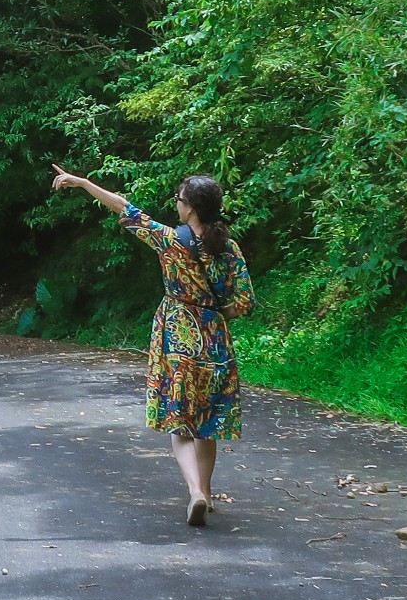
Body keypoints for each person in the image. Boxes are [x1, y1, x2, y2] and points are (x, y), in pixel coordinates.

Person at [49, 164, 256, 527]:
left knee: (181, 422)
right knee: (208, 421)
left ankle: (195, 492)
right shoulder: (229, 247)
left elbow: (125, 209)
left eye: (179, 200)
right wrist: (218, 311)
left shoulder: (170, 239)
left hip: (177, 332)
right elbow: (245, 302)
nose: (176, 205)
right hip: (215, 337)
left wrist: (83, 183)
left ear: (190, 206)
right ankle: (205, 493)